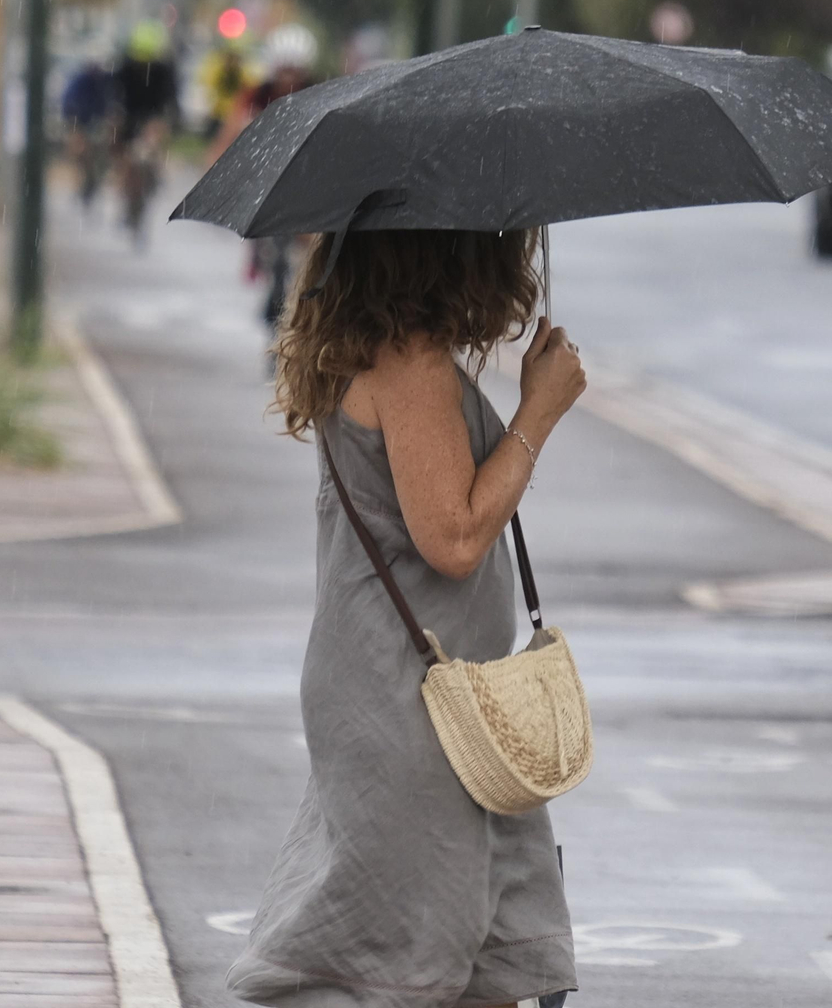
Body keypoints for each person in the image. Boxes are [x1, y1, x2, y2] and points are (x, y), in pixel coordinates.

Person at [227, 228, 583, 1008]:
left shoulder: (386, 354)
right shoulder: (410, 365)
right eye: (497, 235)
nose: (511, 254)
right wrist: (538, 413)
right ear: (446, 249)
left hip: (439, 704)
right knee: (418, 962)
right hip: (413, 706)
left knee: (474, 955)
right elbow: (452, 538)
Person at [208, 24, 322, 335]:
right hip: (267, 177)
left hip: (303, 176)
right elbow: (230, 131)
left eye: (295, 71)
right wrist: (219, 164)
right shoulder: (256, 94)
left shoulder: (317, 91)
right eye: (284, 70)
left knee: (309, 241)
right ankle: (262, 259)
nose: (289, 78)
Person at [113, 22, 179, 245]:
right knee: (125, 157)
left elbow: (171, 98)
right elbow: (113, 94)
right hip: (129, 116)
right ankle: (124, 189)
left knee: (153, 142)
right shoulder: (124, 67)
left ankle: (155, 174)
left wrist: (167, 121)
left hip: (152, 116)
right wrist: (116, 117)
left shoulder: (164, 69)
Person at [60, 57, 114, 211]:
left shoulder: (103, 83)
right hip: (80, 123)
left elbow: (108, 106)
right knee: (81, 155)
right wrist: (76, 130)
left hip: (94, 123)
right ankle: (82, 186)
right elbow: (69, 107)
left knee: (99, 155)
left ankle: (92, 184)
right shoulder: (79, 84)